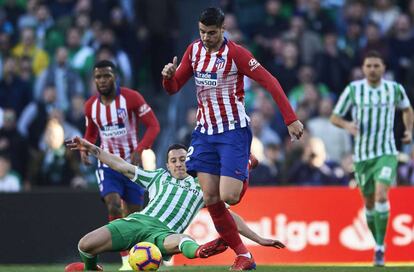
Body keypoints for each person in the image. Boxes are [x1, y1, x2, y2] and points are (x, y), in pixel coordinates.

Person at [161, 7, 303, 270]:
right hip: (204, 133)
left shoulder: (236, 54)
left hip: (232, 132)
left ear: (223, 30)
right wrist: (167, 77)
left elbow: (270, 81)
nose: (206, 37)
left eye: (212, 33)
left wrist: (290, 118)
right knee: (210, 198)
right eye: (202, 32)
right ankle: (244, 256)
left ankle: (245, 162)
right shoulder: (193, 51)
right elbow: (173, 88)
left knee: (231, 196)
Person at [64, 137, 285, 271]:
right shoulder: (157, 177)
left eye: (182, 159)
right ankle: (92, 270)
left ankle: (201, 252)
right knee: (85, 245)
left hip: (164, 235)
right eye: (174, 160)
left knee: (183, 240)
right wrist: (91, 148)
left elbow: (230, 219)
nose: (179, 164)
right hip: (137, 223)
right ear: (167, 165)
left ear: (189, 161)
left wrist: (258, 239)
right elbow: (120, 165)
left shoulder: (203, 186)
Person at [330, 50, 414, 267]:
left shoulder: (394, 89)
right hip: (362, 156)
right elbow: (335, 116)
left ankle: (379, 246)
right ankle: (377, 242)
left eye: (377, 65)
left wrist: (408, 130)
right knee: (368, 202)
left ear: (384, 68)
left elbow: (407, 109)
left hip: (386, 152)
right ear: (363, 68)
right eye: (369, 66)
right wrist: (348, 125)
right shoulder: (354, 90)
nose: (373, 69)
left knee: (381, 195)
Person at [82, 60, 160, 270]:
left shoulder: (131, 98)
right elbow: (91, 132)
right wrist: (84, 148)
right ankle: (126, 259)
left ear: (115, 77)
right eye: (98, 77)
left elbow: (153, 125)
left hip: (132, 166)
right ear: (94, 80)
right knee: (114, 204)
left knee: (134, 215)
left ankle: (139, 253)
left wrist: (140, 149)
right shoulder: (91, 106)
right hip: (107, 165)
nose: (102, 80)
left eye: (106, 76)